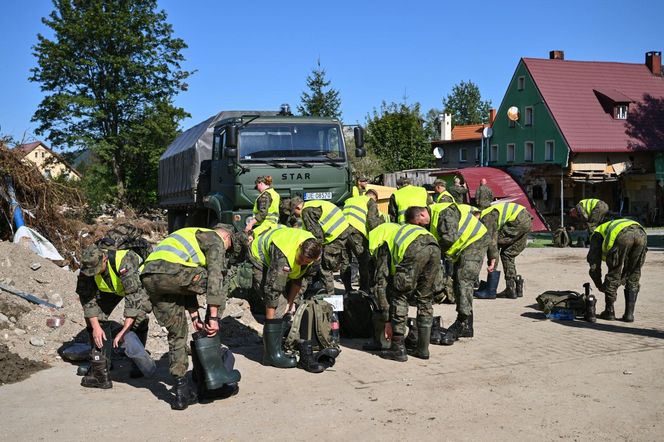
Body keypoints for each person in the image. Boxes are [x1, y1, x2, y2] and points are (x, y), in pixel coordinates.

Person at [140, 224, 244, 410]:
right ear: (227, 238)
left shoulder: (185, 234)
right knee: (219, 276)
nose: (225, 251)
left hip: (150, 277)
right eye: (228, 247)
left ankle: (181, 392)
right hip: (173, 272)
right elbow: (213, 276)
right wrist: (213, 317)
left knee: (177, 333)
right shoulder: (214, 238)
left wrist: (195, 316)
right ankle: (213, 374)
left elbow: (184, 283)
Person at [409, 203, 488, 345]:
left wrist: (433, 250)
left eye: (420, 223)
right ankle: (467, 325)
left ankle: (462, 323)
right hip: (463, 246)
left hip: (475, 241)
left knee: (464, 281)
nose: (422, 226)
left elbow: (449, 239)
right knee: (458, 280)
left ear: (422, 214)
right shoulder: (433, 218)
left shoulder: (444, 213)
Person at [76, 245, 152, 389]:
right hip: (112, 288)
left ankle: (138, 361)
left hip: (137, 287)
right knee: (95, 319)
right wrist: (96, 327)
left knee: (139, 319)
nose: (93, 274)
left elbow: (133, 299)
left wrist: (124, 331)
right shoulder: (87, 267)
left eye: (96, 270)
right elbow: (86, 297)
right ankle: (101, 369)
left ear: (104, 259)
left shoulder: (125, 262)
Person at [367, 222, 441, 361]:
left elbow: (381, 283)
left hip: (414, 248)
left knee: (399, 296)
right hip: (433, 246)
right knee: (425, 299)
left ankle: (398, 349)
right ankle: (423, 349)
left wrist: (388, 321)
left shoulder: (379, 241)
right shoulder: (395, 229)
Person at [249, 227, 322, 367]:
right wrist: (272, 319)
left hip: (282, 258)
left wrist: (291, 303)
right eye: (300, 258)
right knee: (278, 304)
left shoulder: (315, 255)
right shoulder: (284, 253)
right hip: (260, 259)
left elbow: (299, 279)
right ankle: (270, 354)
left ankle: (279, 342)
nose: (301, 262)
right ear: (299, 247)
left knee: (288, 304)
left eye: (306, 262)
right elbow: (273, 290)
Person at [587, 219, 647, 322]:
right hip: (641, 233)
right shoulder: (608, 227)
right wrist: (623, 278)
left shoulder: (596, 235)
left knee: (614, 273)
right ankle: (629, 314)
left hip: (623, 236)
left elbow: (594, 265)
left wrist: (599, 284)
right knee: (634, 273)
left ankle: (609, 312)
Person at [291, 198, 350, 293]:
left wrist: (315, 255)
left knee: (324, 267)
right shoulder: (312, 204)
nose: (295, 216)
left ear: (298, 207)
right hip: (341, 230)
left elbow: (317, 237)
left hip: (335, 236)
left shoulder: (306, 211)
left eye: (294, 213)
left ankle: (330, 296)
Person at [478, 201, 532, 298]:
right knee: (508, 254)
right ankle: (513, 289)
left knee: (494, 243)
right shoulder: (489, 212)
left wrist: (492, 263)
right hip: (526, 219)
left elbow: (492, 243)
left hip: (517, 220)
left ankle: (490, 290)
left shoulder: (486, 217)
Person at [341, 189, 384, 293]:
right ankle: (364, 288)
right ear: (374, 197)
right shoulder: (370, 201)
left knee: (345, 261)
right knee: (364, 260)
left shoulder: (350, 200)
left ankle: (348, 289)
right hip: (356, 231)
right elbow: (372, 221)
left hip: (342, 230)